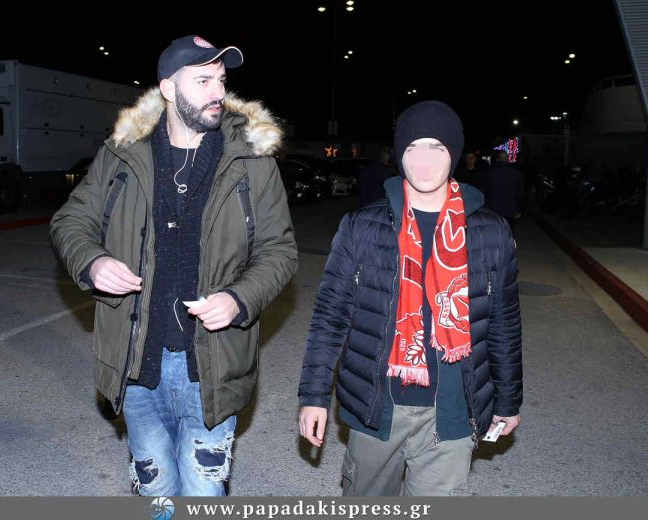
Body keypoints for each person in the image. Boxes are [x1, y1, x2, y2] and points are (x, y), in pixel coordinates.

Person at [50, 34, 297, 496]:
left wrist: (238, 298)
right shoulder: (122, 153)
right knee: (157, 491)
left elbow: (279, 250)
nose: (217, 92)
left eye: (220, 80)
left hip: (213, 365)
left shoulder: (251, 160)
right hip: (136, 363)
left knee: (203, 492)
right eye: (202, 81)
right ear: (168, 88)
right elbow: (70, 221)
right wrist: (93, 262)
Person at [298, 100, 522, 496]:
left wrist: (508, 400)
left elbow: (503, 323)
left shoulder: (491, 232)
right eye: (413, 146)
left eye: (437, 146)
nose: (424, 159)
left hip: (452, 412)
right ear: (399, 154)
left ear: (454, 153)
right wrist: (313, 395)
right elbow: (330, 317)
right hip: (376, 407)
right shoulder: (362, 227)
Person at [484, 150, 524, 231]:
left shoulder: (490, 173)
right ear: (507, 159)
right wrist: (519, 209)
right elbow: (520, 192)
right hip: (510, 209)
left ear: (497, 159)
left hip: (493, 209)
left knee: (495, 231)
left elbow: (485, 191)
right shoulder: (515, 173)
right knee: (509, 230)